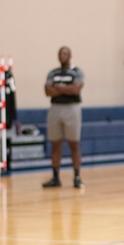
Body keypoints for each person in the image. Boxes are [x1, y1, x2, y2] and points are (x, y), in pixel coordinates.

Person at [42, 46, 85, 189]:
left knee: (74, 144)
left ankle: (77, 177)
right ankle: (55, 177)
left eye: (65, 53)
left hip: (72, 109)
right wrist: (66, 88)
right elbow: (48, 91)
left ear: (70, 55)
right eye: (60, 53)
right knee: (55, 144)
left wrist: (58, 87)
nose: (62, 56)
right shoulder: (52, 73)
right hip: (55, 109)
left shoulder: (77, 72)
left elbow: (75, 89)